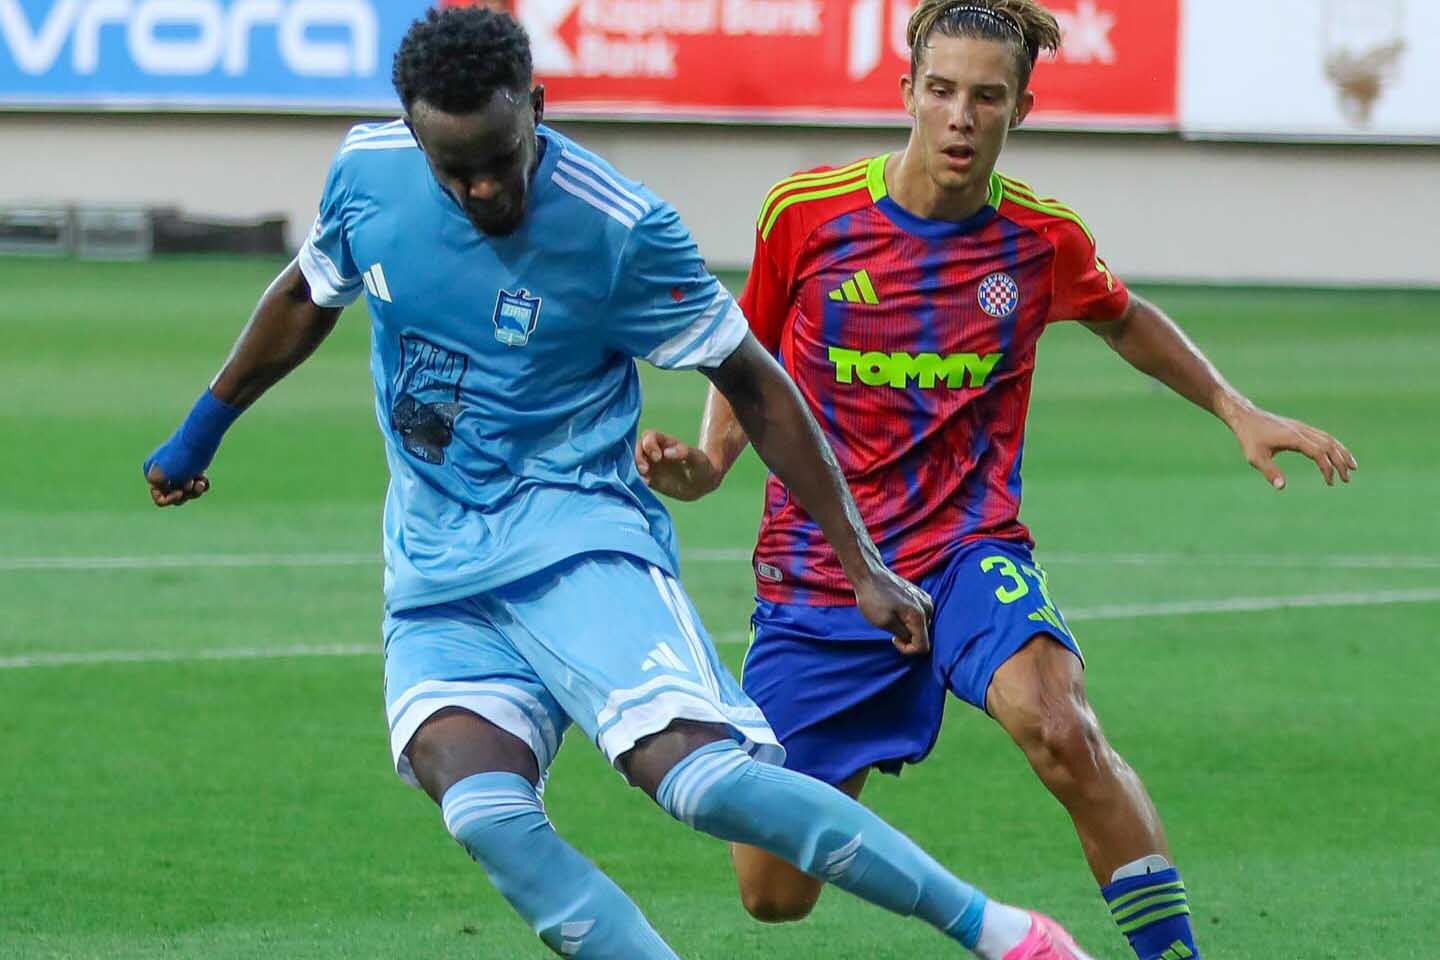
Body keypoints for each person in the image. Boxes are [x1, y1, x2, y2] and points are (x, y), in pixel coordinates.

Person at [142, 7, 1100, 959]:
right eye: (455, 171)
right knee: (480, 809)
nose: (483, 188)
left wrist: (861, 563)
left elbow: (757, 384)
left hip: (579, 546)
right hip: (435, 565)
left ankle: (1001, 933)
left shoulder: (620, 227)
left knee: (700, 783)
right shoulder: (368, 173)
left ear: (537, 108)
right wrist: (198, 432)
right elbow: (307, 293)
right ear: (417, 141)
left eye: (500, 159)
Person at [634, 3, 1357, 960]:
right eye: (941, 91)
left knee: (1061, 728)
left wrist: (1235, 408)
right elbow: (747, 357)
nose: (961, 117)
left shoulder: (1040, 239)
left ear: (1021, 108)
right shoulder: (805, 215)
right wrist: (709, 464)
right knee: (772, 893)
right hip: (821, 569)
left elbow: (1123, 316)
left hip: (965, 548)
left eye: (986, 97)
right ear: (907, 93)